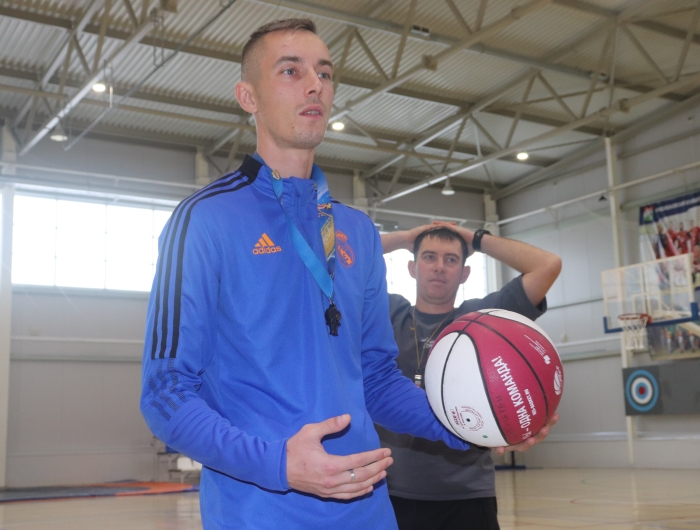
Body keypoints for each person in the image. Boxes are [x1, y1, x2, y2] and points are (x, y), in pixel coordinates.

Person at [140, 18, 523, 530]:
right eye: (291, 71)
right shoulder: (205, 219)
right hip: (260, 512)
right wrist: (279, 464)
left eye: (324, 73)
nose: (314, 85)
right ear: (248, 97)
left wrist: (477, 422)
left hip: (367, 508)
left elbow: (377, 380)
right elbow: (165, 392)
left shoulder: (357, 231)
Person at [378, 224, 562, 530]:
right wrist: (404, 238)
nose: (439, 266)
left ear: (465, 273)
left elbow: (548, 265)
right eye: (429, 256)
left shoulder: (483, 319)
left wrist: (475, 239)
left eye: (451, 259)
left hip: (467, 495)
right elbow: (339, 262)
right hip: (388, 492)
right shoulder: (387, 312)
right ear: (412, 268)